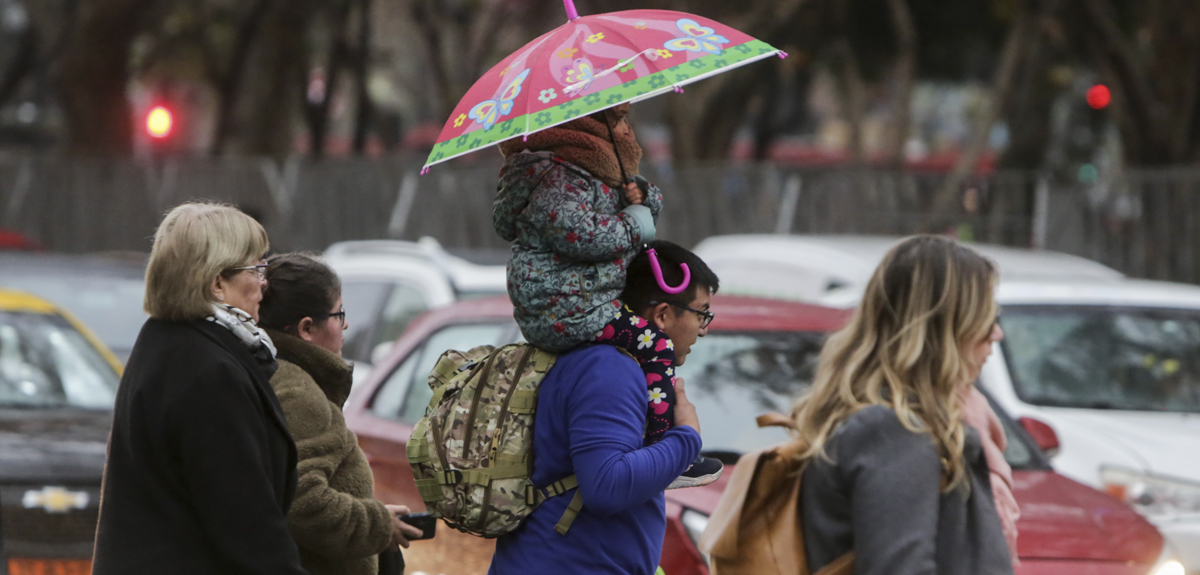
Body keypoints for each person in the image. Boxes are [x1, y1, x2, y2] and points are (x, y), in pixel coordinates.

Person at [494, 103, 720, 487]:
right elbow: (582, 234)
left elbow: (627, 211)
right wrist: (635, 224)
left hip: (580, 301)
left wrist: (643, 197)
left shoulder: (587, 173)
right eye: (616, 122)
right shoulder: (557, 175)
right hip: (568, 304)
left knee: (648, 346)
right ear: (586, 128)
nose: (627, 131)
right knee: (656, 346)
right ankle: (667, 447)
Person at [92, 202, 307, 574]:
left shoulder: (164, 342)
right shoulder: (208, 371)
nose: (264, 281)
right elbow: (244, 522)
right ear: (216, 282)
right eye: (256, 268)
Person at [488, 240, 718, 575]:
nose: (705, 328)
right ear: (663, 315)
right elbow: (606, 486)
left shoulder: (597, 360)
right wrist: (685, 437)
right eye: (702, 313)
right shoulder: (610, 370)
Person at [792, 235, 1014, 575]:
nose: (996, 334)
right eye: (987, 317)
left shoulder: (898, 424)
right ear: (944, 329)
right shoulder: (896, 430)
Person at [256, 253, 424, 575]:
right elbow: (302, 502)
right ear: (307, 328)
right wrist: (377, 525)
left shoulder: (275, 374)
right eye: (339, 314)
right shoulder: (300, 394)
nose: (345, 324)